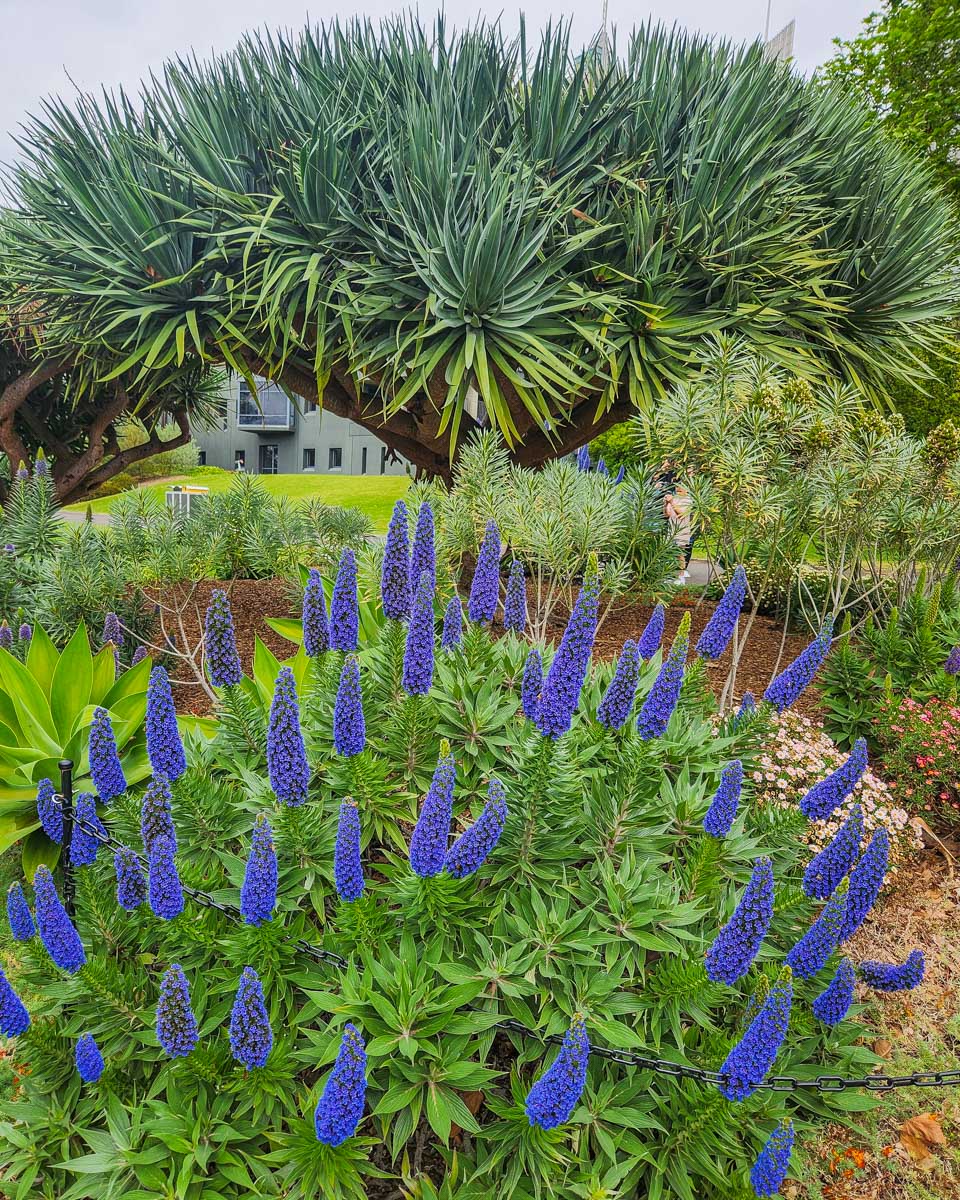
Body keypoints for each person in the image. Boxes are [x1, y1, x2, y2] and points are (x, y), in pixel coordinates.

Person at [654, 458, 697, 584]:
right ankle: (670, 574)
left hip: (681, 530)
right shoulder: (675, 498)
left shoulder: (688, 500)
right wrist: (666, 503)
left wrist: (672, 501)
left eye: (681, 488)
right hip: (672, 529)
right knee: (670, 552)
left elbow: (682, 513)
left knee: (680, 553)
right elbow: (667, 514)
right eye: (677, 488)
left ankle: (681, 575)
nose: (678, 489)